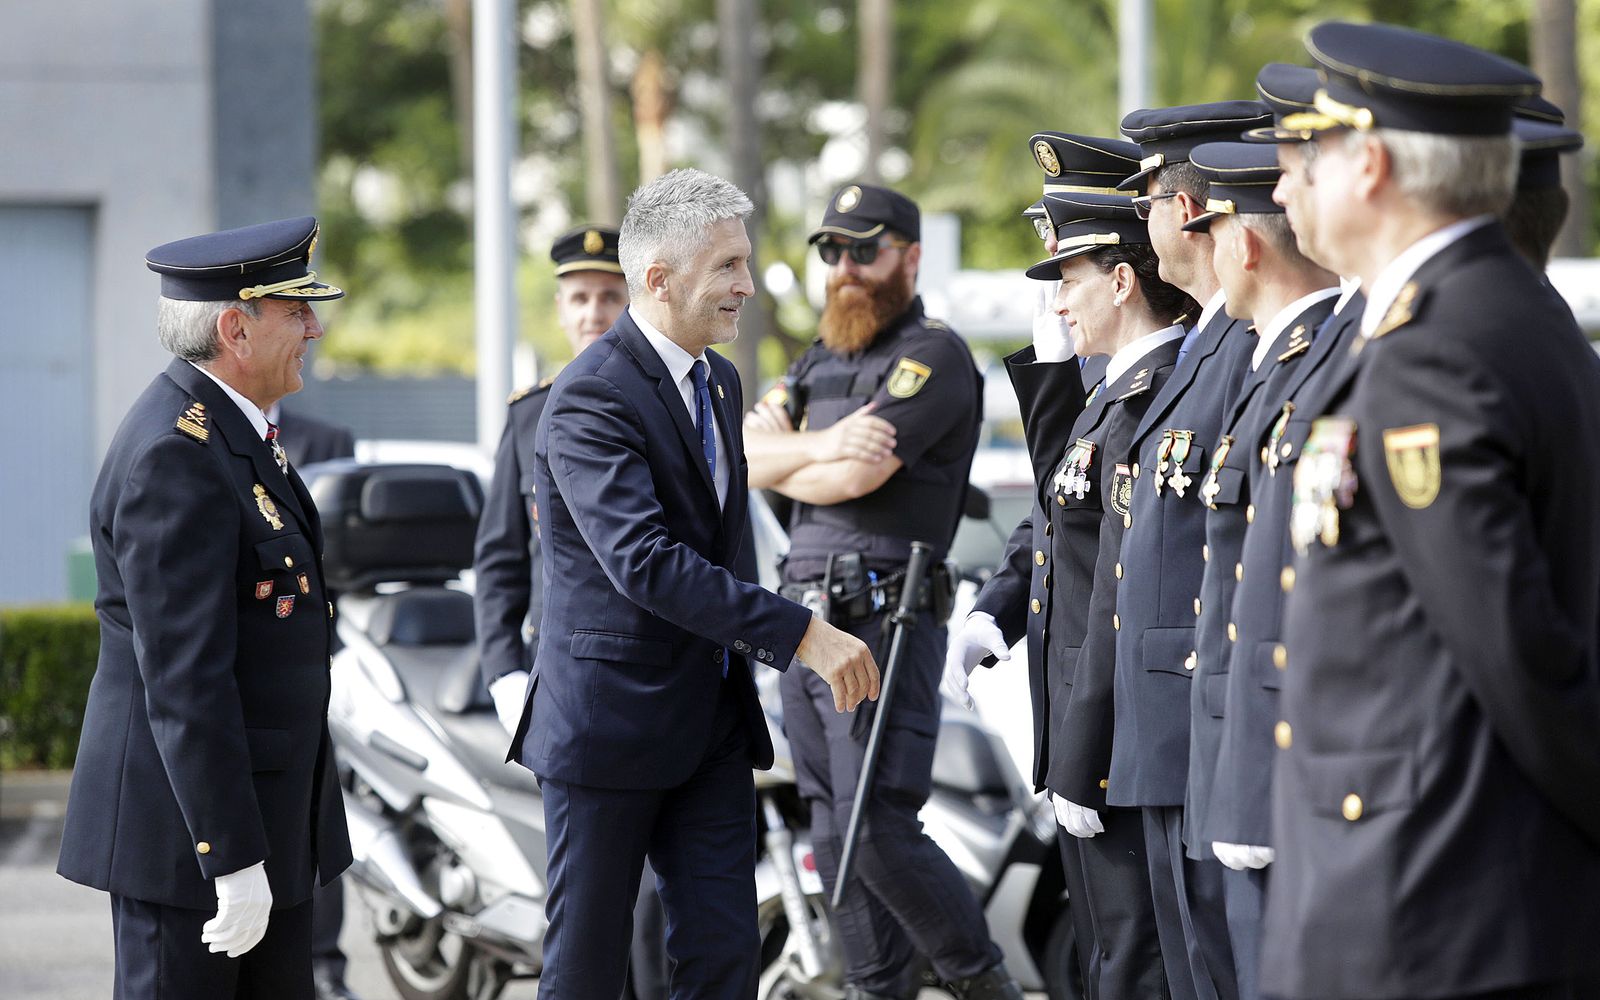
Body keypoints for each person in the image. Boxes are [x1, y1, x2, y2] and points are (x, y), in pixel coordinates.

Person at [1262, 21, 1600, 1000]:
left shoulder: (1434, 349)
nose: (1288, 187)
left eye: (1308, 158)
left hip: (1426, 909)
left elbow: (1514, 650)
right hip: (1454, 899)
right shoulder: (1504, 312)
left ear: (1367, 165)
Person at [501, 167, 879, 1000]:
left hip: (709, 725)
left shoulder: (719, 381)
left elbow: (725, 545)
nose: (748, 284)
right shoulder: (588, 397)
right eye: (728, 267)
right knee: (587, 969)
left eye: (746, 263)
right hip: (607, 727)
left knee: (722, 958)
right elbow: (644, 561)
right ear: (660, 280)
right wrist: (800, 634)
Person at [56, 216, 353, 999]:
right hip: (194, 847)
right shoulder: (174, 455)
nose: (314, 329)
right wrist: (231, 859)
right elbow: (185, 682)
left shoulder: (232, 433)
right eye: (297, 312)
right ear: (235, 329)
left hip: (259, 829)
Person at [742, 183, 1015, 1000]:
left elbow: (864, 471)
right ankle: (876, 990)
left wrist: (793, 451)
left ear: (910, 255)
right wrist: (820, 444)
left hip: (882, 613)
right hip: (802, 619)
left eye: (865, 249)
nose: (845, 268)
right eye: (832, 252)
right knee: (830, 825)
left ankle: (983, 985)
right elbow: (737, 462)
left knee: (875, 827)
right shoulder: (816, 363)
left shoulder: (932, 354)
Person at [947, 153, 1194, 1000]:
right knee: (1103, 962)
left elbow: (1118, 592)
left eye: (1070, 277)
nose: (1056, 299)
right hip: (1086, 741)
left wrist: (1083, 758)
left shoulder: (1159, 392)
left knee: (1136, 965)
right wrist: (998, 610)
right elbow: (1061, 515)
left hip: (1120, 746)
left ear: (1123, 281)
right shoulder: (1111, 396)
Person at [1093, 101, 1270, 1000]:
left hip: (1208, 726)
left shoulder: (1245, 345)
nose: (1143, 219)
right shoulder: (1210, 340)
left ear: (1188, 209)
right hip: (1169, 726)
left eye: (1149, 197)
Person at [472, 223, 670, 1000]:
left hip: (658, 687)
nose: (594, 312)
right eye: (581, 298)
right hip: (566, 689)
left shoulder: (671, 403)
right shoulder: (531, 416)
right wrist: (502, 672)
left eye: (609, 297)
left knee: (655, 908)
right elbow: (497, 560)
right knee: (584, 908)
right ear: (561, 309)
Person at [1172, 138, 1338, 1000]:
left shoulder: (1318, 363)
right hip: (1229, 754)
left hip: (1269, 766)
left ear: (1243, 243)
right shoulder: (1272, 361)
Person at [271, 401, 360, 1000]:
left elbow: (342, 553)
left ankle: (325, 964)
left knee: (319, 810)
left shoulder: (328, 436)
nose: (311, 330)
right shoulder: (197, 433)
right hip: (262, 660)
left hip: (321, 648)